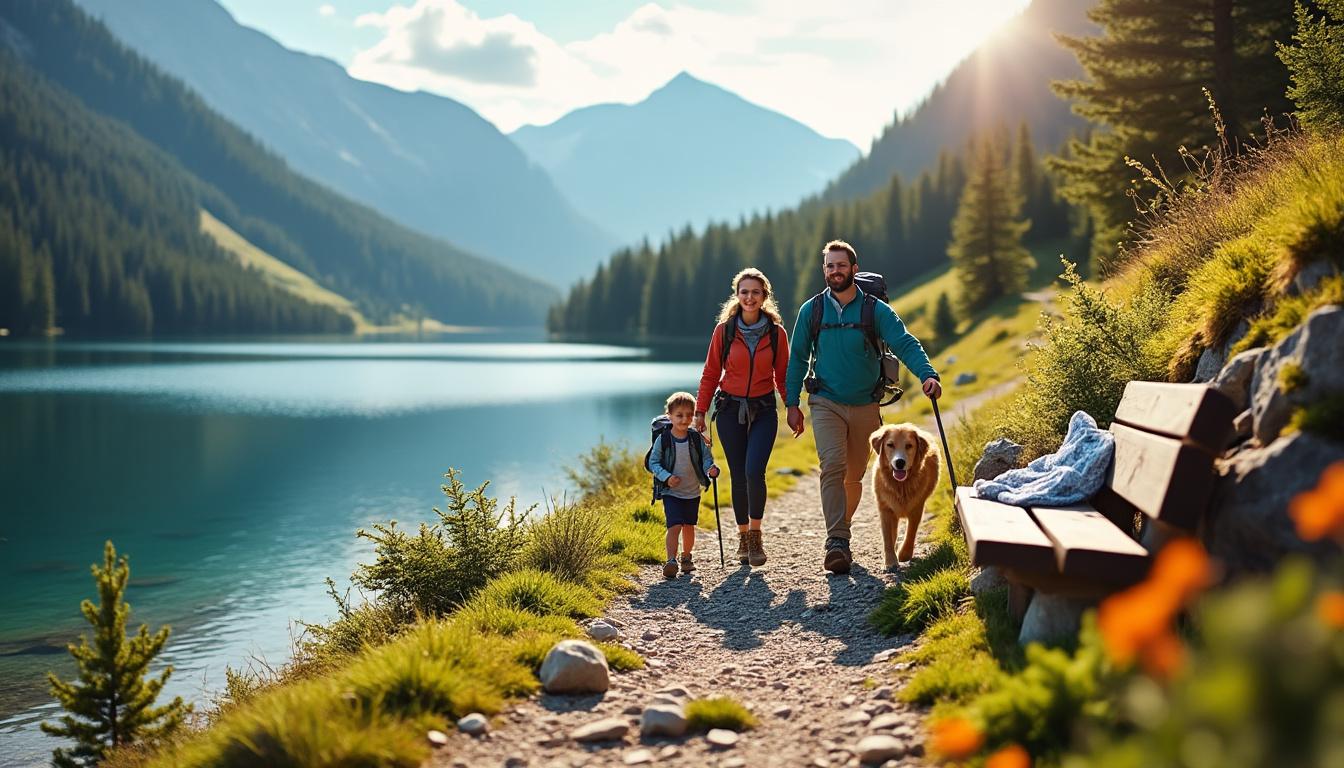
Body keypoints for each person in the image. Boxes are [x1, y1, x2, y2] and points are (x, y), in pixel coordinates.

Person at [783, 240, 942, 574]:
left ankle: (842, 529)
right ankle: (837, 541)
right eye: (829, 266)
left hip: (866, 404)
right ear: (823, 270)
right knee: (833, 466)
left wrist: (927, 375)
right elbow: (797, 358)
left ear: (854, 269)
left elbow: (904, 342)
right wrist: (792, 403)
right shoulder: (811, 311)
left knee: (853, 476)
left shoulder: (875, 310)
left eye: (841, 265)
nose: (835, 271)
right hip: (825, 401)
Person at [694, 268, 789, 567]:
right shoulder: (725, 331)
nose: (750, 297)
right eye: (744, 292)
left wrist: (793, 407)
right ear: (738, 295)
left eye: (756, 292)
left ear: (764, 297)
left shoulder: (776, 333)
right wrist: (700, 411)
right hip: (729, 410)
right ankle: (743, 536)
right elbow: (711, 373)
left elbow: (783, 376)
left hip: (763, 410)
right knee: (738, 475)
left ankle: (756, 536)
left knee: (753, 472)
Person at [648, 391, 721, 578]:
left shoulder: (696, 438)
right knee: (674, 526)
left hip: (692, 492)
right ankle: (671, 560)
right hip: (671, 491)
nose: (684, 419)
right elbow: (653, 462)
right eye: (679, 415)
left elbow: (706, 459)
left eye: (689, 415)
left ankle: (686, 557)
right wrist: (666, 477)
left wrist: (710, 469)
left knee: (689, 526)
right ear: (669, 416)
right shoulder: (663, 440)